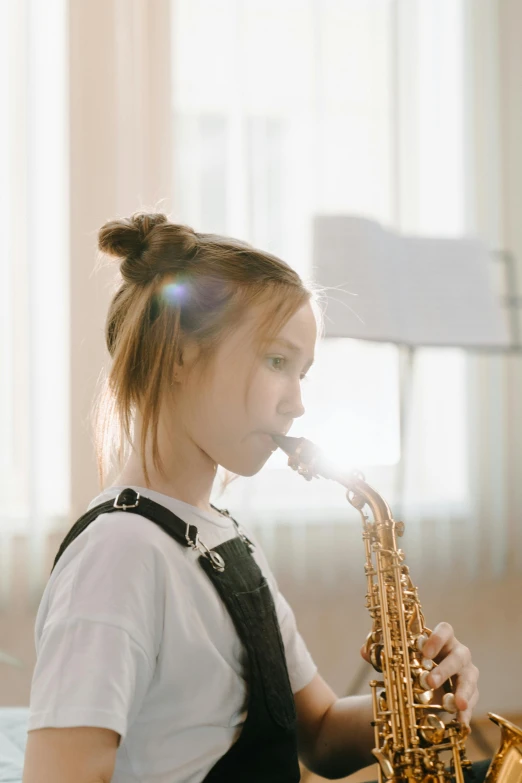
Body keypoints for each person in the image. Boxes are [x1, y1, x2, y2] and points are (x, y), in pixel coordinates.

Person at [24, 212, 482, 783]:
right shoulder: (118, 555)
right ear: (178, 354)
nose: (297, 403)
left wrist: (413, 705)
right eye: (276, 361)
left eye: (303, 373)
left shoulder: (223, 537)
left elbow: (314, 733)